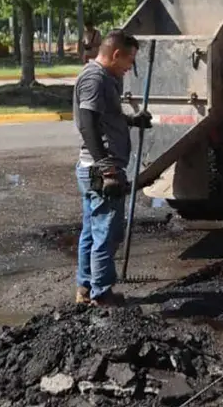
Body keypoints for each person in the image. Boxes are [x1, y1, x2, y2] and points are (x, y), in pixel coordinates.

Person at [73, 30, 152, 306]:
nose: (130, 66)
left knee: (92, 230)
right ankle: (101, 294)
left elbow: (108, 117)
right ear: (116, 54)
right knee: (106, 232)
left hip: (96, 166)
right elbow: (88, 124)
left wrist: (132, 121)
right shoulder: (94, 78)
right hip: (99, 169)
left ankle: (85, 288)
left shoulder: (107, 78)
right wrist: (106, 168)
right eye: (129, 60)